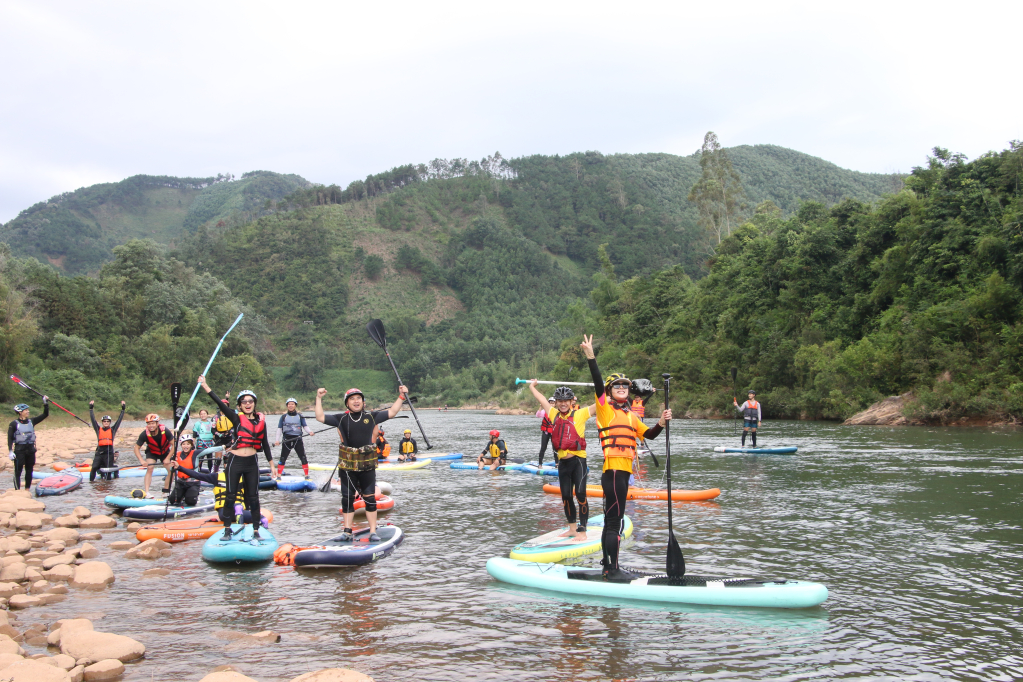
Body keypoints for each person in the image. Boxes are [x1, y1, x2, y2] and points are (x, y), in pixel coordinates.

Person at [580, 334, 671, 581]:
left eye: (624, 387)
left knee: (612, 520)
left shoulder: (631, 416)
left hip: (623, 473)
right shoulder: (605, 410)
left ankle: (607, 565)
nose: (621, 389)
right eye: (616, 387)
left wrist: (661, 422)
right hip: (614, 473)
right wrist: (591, 357)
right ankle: (612, 569)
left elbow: (649, 436)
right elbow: (598, 384)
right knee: (615, 522)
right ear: (610, 392)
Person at [316, 384, 408, 542]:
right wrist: (318, 398)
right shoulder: (341, 419)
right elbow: (320, 417)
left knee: (370, 498)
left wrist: (401, 396)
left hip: (366, 465)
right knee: (347, 498)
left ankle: (373, 532)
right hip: (347, 466)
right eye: (352, 399)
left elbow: (392, 412)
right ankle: (347, 532)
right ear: (347, 403)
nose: (356, 401)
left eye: (359, 398)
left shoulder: (372, 417)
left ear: (363, 402)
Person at [198, 375, 276, 540]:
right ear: (240, 405)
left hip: (252, 462)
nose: (248, 404)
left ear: (254, 403)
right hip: (235, 461)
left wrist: (272, 465)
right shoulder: (235, 418)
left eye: (250, 401)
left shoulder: (261, 421)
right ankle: (227, 529)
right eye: (244, 402)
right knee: (230, 495)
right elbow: (219, 403)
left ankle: (256, 530)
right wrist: (205, 386)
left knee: (253, 497)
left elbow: (266, 444)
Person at [528, 381, 592, 539]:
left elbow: (600, 402)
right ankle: (571, 528)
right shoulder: (552, 414)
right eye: (560, 401)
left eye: (566, 401)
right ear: (556, 403)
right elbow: (541, 399)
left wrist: (608, 389)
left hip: (578, 461)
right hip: (563, 463)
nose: (563, 404)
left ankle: (582, 531)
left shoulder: (580, 414)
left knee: (581, 494)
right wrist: (531, 387)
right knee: (566, 496)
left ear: (572, 402)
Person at [7, 398, 48, 490]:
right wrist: (10, 451)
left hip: (30, 449)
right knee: (18, 471)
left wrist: (45, 403)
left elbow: (45, 414)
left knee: (29, 470)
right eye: (26, 410)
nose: (28, 411)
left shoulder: (32, 421)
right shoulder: (13, 424)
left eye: (27, 410)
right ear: (20, 412)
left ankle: (27, 490)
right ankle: (17, 490)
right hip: (19, 450)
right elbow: (9, 438)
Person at [134, 413, 180, 495]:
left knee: (172, 471)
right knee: (150, 468)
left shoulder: (165, 430)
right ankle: (147, 492)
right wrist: (141, 461)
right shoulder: (144, 434)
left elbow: (174, 445)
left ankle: (166, 491)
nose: (150, 425)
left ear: (157, 423)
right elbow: (136, 448)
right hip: (152, 452)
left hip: (165, 452)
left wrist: (168, 458)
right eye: (148, 424)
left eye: (152, 423)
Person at [274, 398, 314, 478]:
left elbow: (305, 426)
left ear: (295, 405)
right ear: (287, 406)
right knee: (282, 458)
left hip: (297, 440)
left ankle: (306, 475)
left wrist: (309, 432)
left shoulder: (300, 416)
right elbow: (279, 429)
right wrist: (277, 440)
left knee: (303, 457)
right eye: (289, 404)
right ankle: (279, 475)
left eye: (292, 404)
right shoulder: (283, 417)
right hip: (287, 440)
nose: (291, 405)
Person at [89, 400, 125, 482]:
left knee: (108, 471)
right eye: (104, 421)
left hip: (109, 453)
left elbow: (119, 420)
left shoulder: (113, 429)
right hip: (99, 453)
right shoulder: (98, 429)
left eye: (107, 421)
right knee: (94, 467)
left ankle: (108, 486)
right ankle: (91, 483)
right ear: (102, 422)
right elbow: (93, 420)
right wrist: (91, 409)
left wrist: (123, 409)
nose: (106, 422)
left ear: (109, 422)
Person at [167, 433, 202, 507]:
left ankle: (193, 495)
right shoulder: (177, 455)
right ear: (181, 445)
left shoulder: (196, 453)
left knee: (190, 502)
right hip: (181, 482)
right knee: (172, 500)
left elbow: (210, 450)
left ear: (191, 445)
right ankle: (183, 495)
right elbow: (171, 469)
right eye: (184, 444)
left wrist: (223, 447)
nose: (186, 446)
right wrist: (172, 464)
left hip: (193, 483)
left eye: (188, 444)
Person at [536, 396, 555, 466]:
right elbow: (538, 415)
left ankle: (557, 463)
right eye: (550, 403)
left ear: (555, 404)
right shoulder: (544, 411)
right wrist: (541, 407)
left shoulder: (556, 412)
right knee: (543, 447)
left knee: (555, 448)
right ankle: (540, 463)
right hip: (546, 432)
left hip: (553, 433)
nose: (551, 404)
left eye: (553, 403)